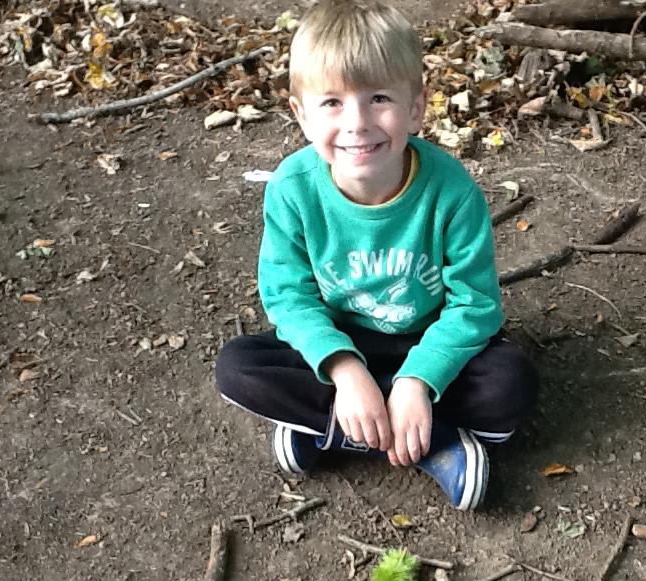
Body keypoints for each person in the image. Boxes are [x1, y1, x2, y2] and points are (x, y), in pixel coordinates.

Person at [215, 0, 537, 510]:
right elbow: (289, 297)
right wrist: (345, 370)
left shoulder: (452, 192)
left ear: (416, 108)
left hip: (429, 337)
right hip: (343, 336)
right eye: (332, 102)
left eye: (379, 98)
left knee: (510, 383)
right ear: (301, 115)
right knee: (238, 367)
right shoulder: (292, 189)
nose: (358, 123)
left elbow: (475, 306)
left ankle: (328, 429)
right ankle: (433, 441)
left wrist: (418, 380)